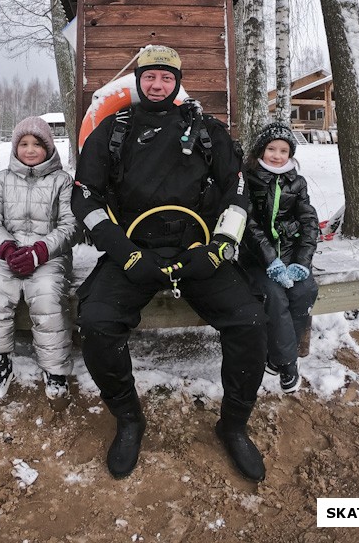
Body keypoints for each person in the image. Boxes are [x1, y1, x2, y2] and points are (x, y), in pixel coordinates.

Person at [71, 45, 268, 482]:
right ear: (138, 81)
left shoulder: (205, 130)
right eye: (149, 77)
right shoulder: (112, 131)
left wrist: (219, 247)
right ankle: (128, 419)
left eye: (165, 77)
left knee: (251, 322)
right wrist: (125, 253)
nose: (156, 84)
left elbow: (238, 194)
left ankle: (234, 425)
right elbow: (84, 197)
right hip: (133, 252)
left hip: (197, 252)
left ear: (177, 83)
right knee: (98, 323)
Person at [0, 116, 79, 401]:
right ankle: (0, 363)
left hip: (49, 254)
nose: (30, 150)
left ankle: (55, 369)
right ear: (15, 147)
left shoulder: (62, 181)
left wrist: (40, 252)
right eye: (23, 144)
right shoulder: (3, 178)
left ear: (48, 148)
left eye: (37, 144)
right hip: (7, 253)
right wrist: (8, 249)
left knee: (47, 296)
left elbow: (70, 225)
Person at [240, 122, 319, 393]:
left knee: (305, 291)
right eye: (271, 149)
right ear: (260, 151)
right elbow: (247, 224)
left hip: (290, 256)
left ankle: (275, 358)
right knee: (274, 296)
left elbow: (308, 221)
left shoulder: (296, 181)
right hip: (257, 259)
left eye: (283, 150)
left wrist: (301, 262)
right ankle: (288, 364)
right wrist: (270, 260)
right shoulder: (248, 178)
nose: (277, 155)